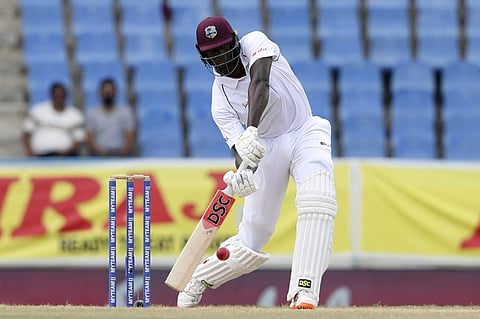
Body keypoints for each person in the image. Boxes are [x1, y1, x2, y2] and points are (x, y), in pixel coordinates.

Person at [177, 16, 338, 310]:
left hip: (303, 129)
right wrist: (243, 169)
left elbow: (260, 82)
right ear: (203, 56)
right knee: (254, 235)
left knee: (318, 199)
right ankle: (198, 278)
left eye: (223, 49)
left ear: (236, 42)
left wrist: (251, 130)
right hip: (267, 148)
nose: (219, 58)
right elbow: (239, 149)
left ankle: (305, 292)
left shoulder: (256, 43)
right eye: (211, 53)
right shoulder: (219, 101)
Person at [22, 82, 85, 157]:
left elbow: (79, 139)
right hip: (40, 157)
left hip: (66, 159)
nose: (59, 97)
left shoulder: (76, 114)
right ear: (51, 95)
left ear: (66, 96)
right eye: (56, 95)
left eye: (61, 95)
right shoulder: (37, 110)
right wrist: (29, 151)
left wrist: (63, 154)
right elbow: (26, 132)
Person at [85, 78, 136, 156]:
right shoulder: (92, 113)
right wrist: (101, 153)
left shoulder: (125, 112)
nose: (108, 94)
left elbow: (130, 138)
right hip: (99, 156)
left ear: (116, 92)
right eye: (106, 92)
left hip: (121, 155)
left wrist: (122, 153)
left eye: (110, 92)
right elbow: (89, 140)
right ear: (100, 93)